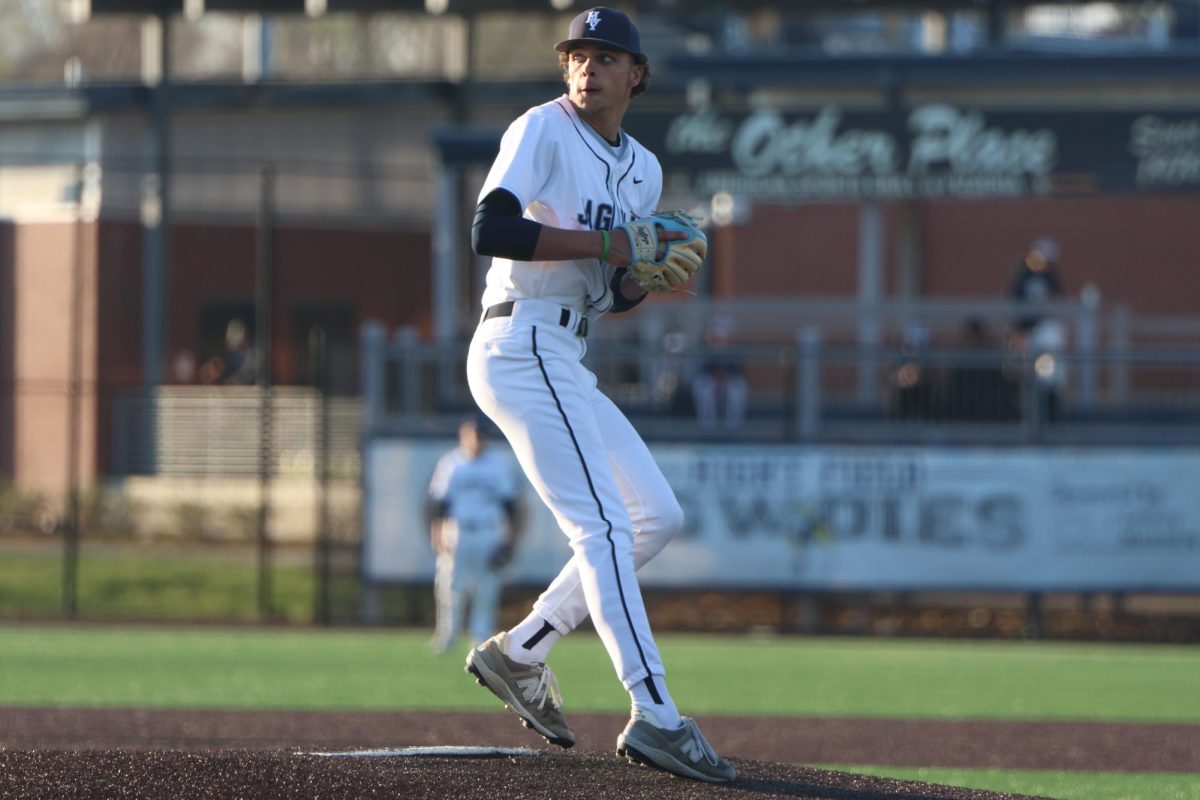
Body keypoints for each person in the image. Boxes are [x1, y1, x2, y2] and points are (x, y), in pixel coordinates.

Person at [462, 7, 736, 783]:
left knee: (656, 515)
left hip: (564, 350)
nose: (588, 68)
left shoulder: (643, 170)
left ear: (635, 75)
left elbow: (611, 288)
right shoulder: (541, 129)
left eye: (606, 57)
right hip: (518, 342)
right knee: (606, 528)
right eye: (577, 55)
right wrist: (615, 245)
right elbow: (491, 229)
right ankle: (657, 714)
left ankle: (521, 653)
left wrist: (643, 276)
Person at [427, 414, 521, 655]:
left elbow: (509, 504)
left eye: (479, 435)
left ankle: (481, 639)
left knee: (486, 587)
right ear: (462, 436)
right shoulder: (451, 463)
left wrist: (510, 539)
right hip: (457, 530)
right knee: (449, 585)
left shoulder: (497, 464)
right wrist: (437, 534)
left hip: (487, 531)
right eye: (471, 434)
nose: (475, 440)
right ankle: (448, 635)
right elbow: (439, 503)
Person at [691, 315, 747, 429]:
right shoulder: (705, 348)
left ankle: (733, 423)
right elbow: (702, 369)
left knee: (737, 388)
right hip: (709, 379)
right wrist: (714, 378)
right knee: (704, 388)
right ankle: (707, 423)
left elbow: (738, 370)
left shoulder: (734, 350)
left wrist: (725, 378)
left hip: (729, 380)